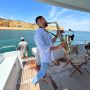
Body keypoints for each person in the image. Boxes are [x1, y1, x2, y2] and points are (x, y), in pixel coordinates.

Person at [32, 16, 64, 86]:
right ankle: (33, 82)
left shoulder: (45, 31)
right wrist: (58, 47)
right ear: (40, 21)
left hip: (49, 57)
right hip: (45, 58)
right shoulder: (38, 34)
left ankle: (45, 77)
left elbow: (51, 42)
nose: (46, 21)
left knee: (44, 71)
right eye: (44, 19)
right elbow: (43, 48)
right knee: (42, 72)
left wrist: (56, 35)